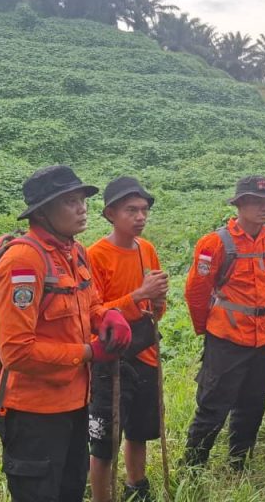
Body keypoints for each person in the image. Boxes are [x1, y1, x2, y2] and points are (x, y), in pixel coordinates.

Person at [0, 165, 132, 502]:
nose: (82, 208)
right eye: (70, 201)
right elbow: (16, 351)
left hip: (74, 403)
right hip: (33, 414)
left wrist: (108, 316)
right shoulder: (23, 263)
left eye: (81, 200)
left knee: (70, 491)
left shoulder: (75, 252)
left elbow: (90, 304)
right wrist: (90, 353)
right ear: (43, 211)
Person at [181, 175, 265, 470]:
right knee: (213, 405)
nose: (264, 208)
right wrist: (204, 329)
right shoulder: (215, 243)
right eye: (256, 202)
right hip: (226, 338)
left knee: (253, 402)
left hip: (263, 338)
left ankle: (238, 462)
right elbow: (196, 291)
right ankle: (193, 466)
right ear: (240, 204)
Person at [87, 177, 169, 502]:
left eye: (144, 210)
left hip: (146, 352)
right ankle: (101, 497)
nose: (140, 217)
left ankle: (137, 487)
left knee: (140, 430)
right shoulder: (95, 255)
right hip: (111, 358)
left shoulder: (147, 249)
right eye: (131, 210)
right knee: (105, 439)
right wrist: (137, 297)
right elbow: (94, 314)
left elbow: (156, 307)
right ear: (110, 213)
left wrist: (157, 299)